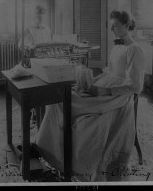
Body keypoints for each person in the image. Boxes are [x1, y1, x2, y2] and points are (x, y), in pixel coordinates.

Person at [35, 10, 146, 182]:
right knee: (66, 98)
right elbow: (109, 72)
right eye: (111, 26)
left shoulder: (135, 50)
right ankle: (50, 150)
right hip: (106, 85)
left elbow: (135, 86)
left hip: (118, 95)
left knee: (79, 110)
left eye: (115, 26)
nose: (112, 30)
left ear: (126, 25)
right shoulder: (117, 46)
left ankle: (77, 164)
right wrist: (90, 83)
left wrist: (105, 91)